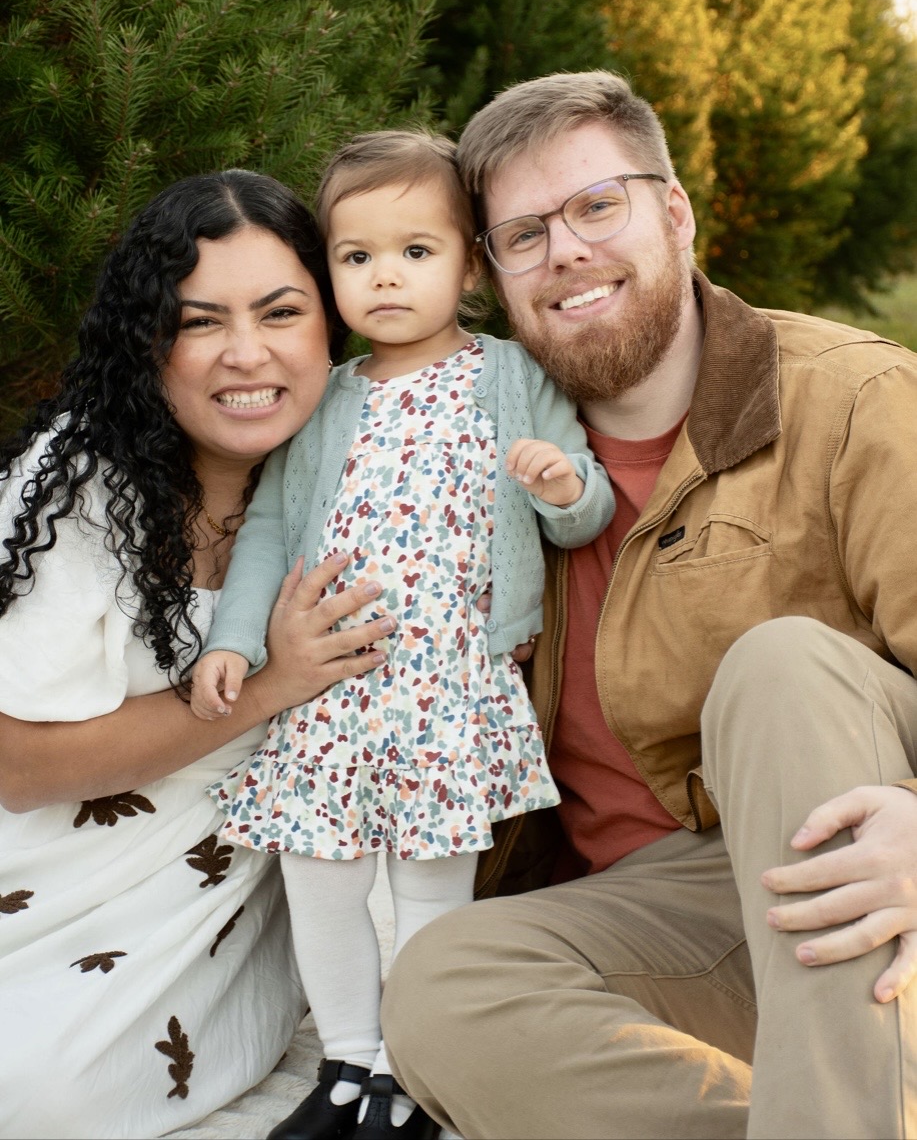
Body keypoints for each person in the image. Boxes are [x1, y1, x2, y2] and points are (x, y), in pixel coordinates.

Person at [380, 71, 917, 1140]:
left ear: (673, 213)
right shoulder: (474, 455)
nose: (563, 251)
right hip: (677, 916)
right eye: (522, 234)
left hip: (865, 859)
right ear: (492, 273)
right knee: (441, 984)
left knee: (781, 665)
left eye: (595, 205)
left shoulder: (853, 398)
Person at [190, 130, 616, 1140]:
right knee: (321, 882)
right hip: (331, 692)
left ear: (468, 266)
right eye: (357, 255)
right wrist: (233, 639)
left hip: (449, 689)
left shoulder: (511, 376)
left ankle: (412, 1069)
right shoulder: (327, 396)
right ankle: (345, 1060)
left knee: (430, 890)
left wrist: (562, 487)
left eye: (416, 251)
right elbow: (269, 527)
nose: (385, 275)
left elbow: (583, 512)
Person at [0, 170, 396, 1140]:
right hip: (48, 863)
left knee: (55, 1090)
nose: (246, 352)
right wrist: (269, 686)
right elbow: (16, 766)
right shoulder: (80, 485)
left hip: (221, 896)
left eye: (280, 311)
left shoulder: (372, 472)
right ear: (149, 343)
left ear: (332, 322)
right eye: (199, 321)